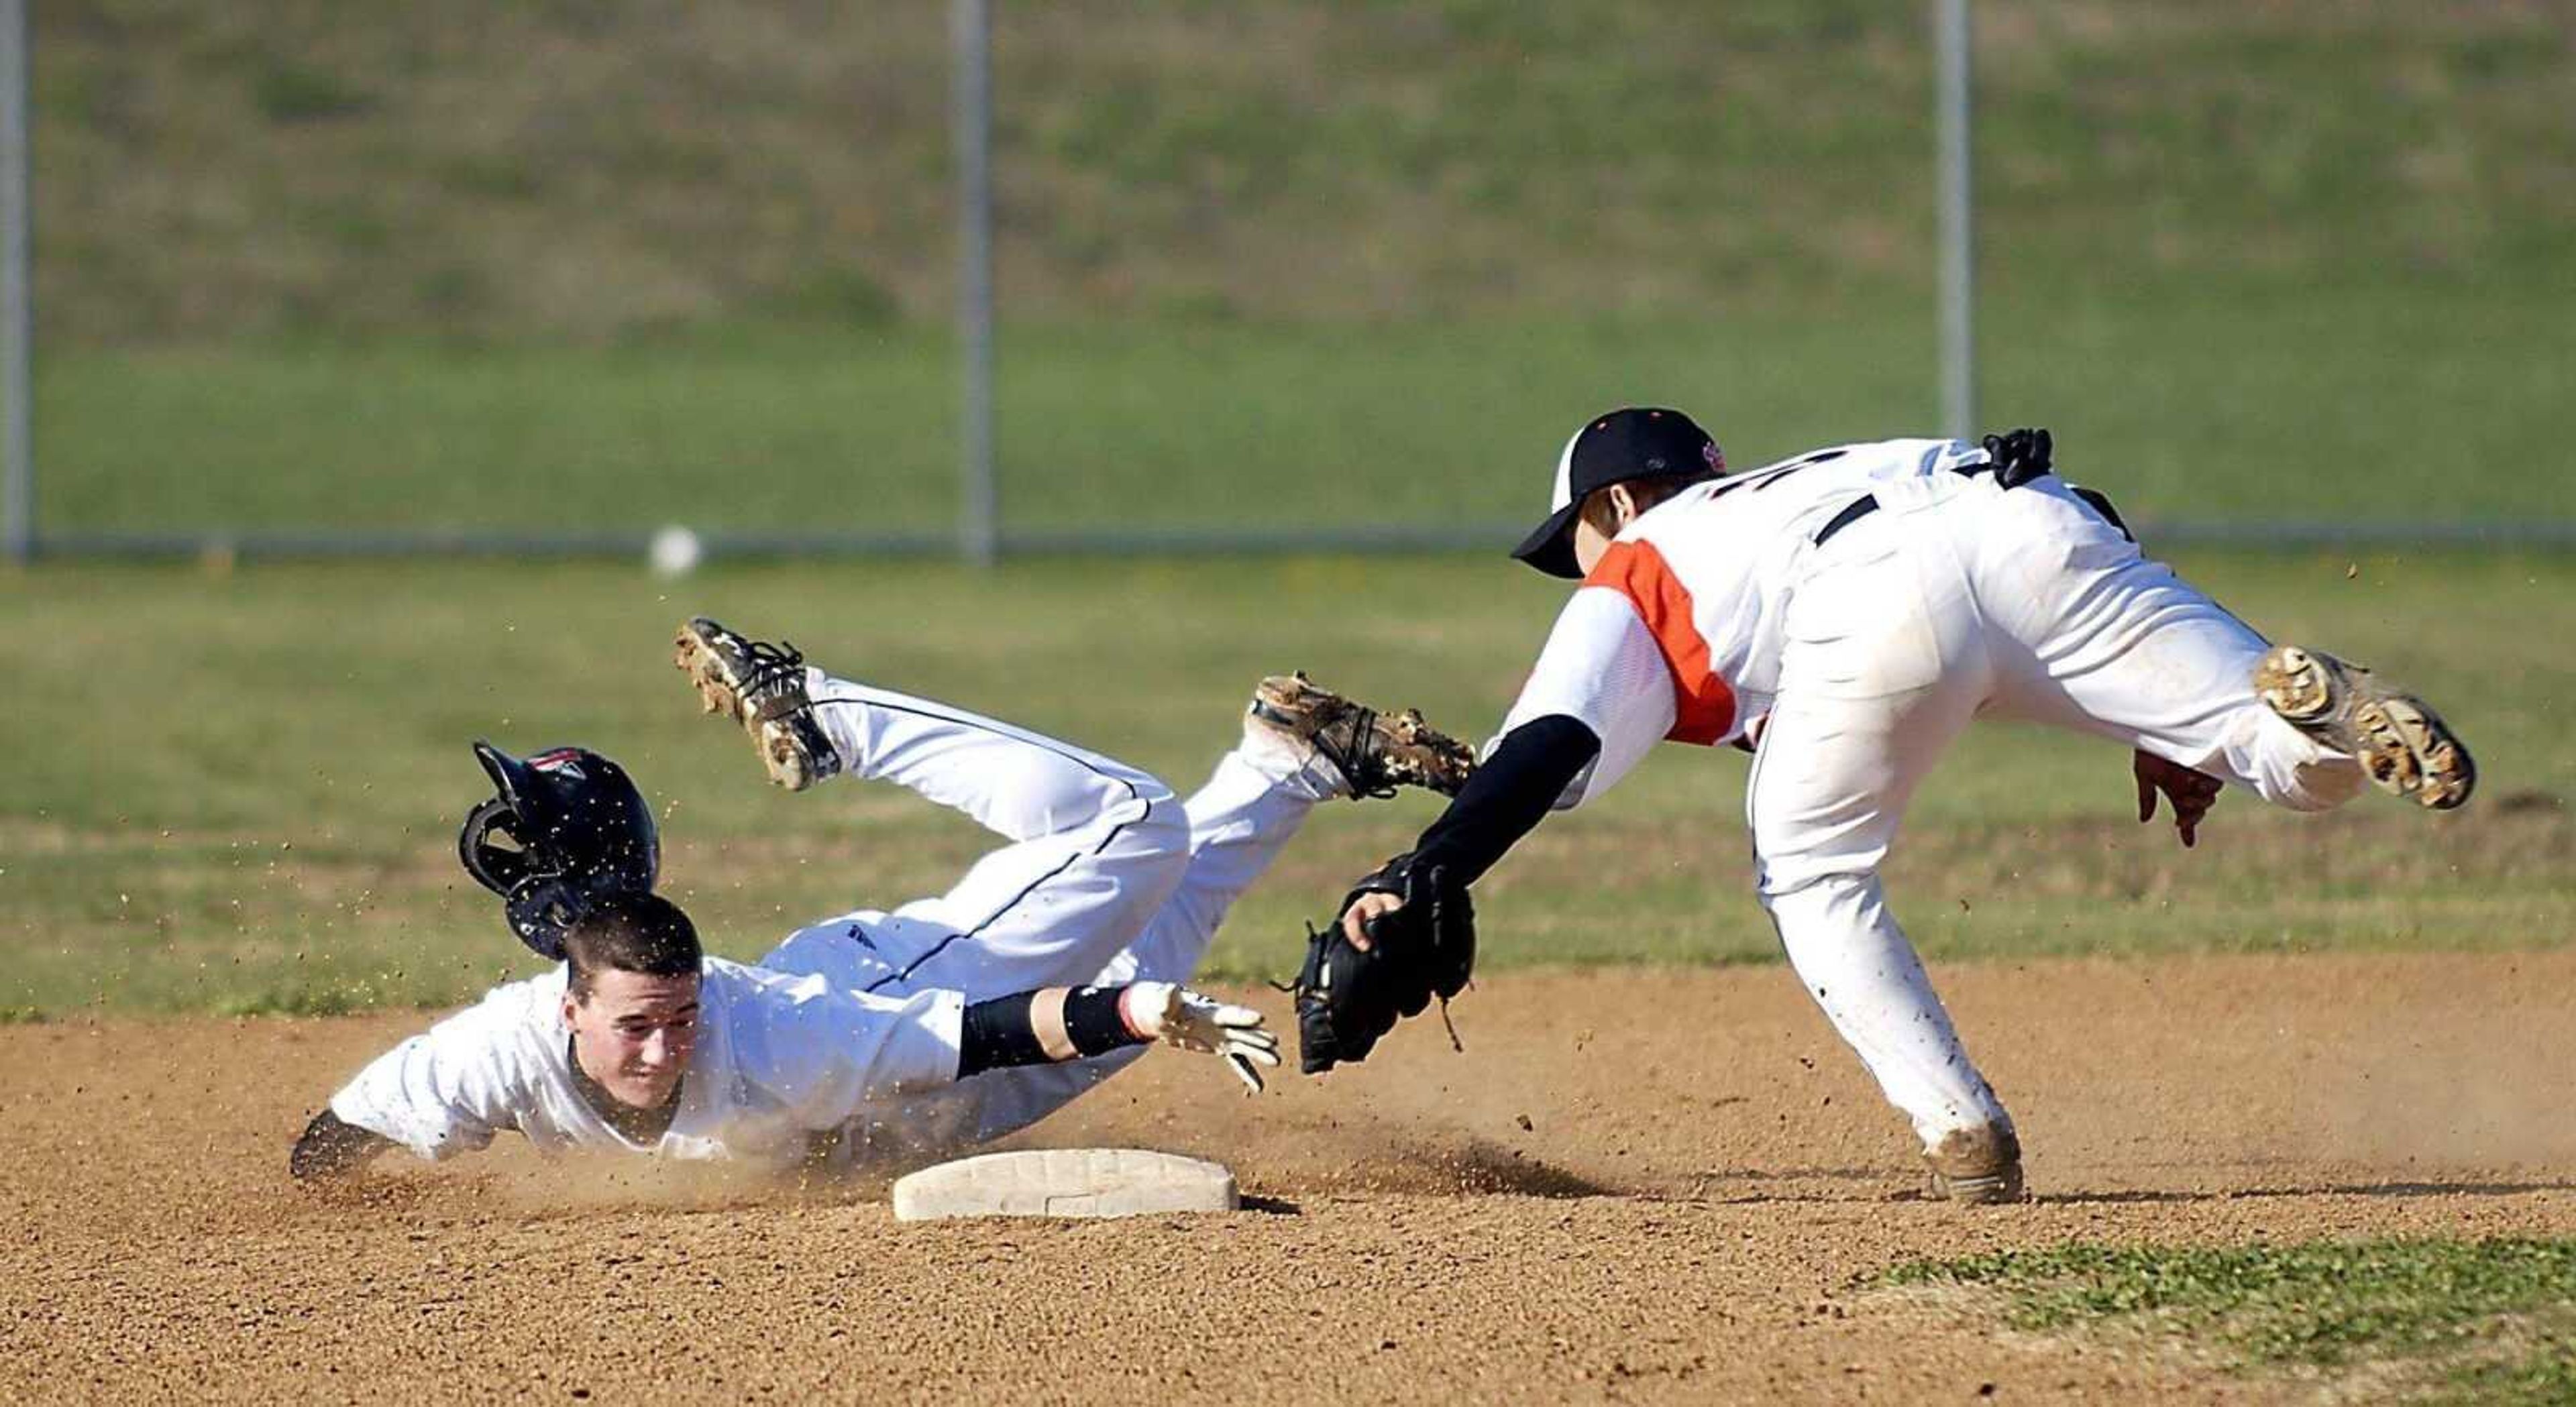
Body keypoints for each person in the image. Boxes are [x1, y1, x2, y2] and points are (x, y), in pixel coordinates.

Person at [1304, 408, 2475, 1204]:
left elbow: (1555, 745)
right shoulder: (1806, 480)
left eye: (1576, 540)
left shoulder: (1646, 554)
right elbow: (2089, 514)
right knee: (2273, 757)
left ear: (1616, 500)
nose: (1581, 564)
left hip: (1870, 602)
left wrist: (1427, 867)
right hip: (2039, 519)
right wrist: (2156, 727)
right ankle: (2305, 715)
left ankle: (1962, 1130)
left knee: (1811, 870)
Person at [290, 618, 1473, 1180]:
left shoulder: (778, 1037)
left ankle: (823, 708)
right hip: (925, 1122)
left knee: (1133, 824)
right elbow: (340, 1138)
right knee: (1161, 911)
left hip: (916, 992)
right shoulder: (504, 1043)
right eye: (633, 1026)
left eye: (669, 1020)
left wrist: (1138, 1015)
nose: (655, 1047)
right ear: (572, 1012)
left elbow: (980, 1029)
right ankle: (1290, 765)